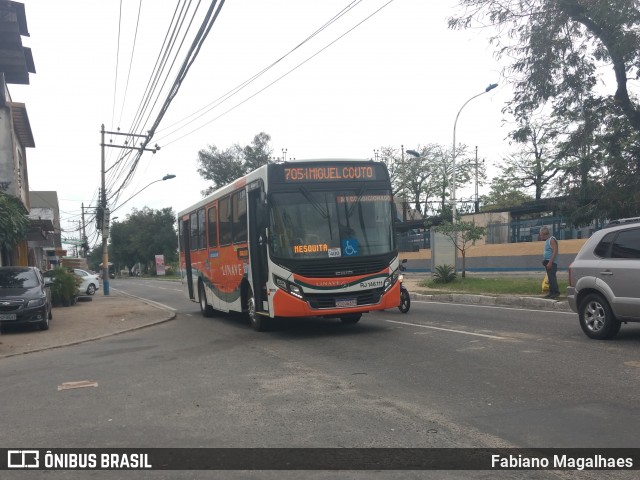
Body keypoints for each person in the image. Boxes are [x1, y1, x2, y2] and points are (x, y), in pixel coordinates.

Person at [540, 226, 560, 299]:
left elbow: (555, 251)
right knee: (550, 279)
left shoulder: (552, 240)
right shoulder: (547, 240)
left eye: (541, 234)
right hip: (548, 261)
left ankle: (556, 293)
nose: (540, 236)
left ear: (544, 234)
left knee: (552, 278)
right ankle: (551, 293)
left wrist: (550, 262)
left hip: (552, 262)